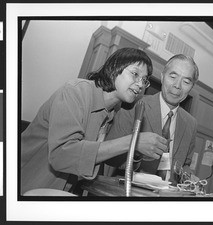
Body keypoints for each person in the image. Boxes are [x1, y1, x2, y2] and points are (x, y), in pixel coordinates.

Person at [21, 47, 169, 195]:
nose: (140, 84)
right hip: (27, 187)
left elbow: (109, 156)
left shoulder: (114, 112)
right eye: (135, 74)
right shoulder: (74, 92)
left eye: (144, 80)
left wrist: (136, 151)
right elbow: (61, 155)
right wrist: (133, 141)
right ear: (114, 67)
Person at [104, 54, 199, 185]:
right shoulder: (133, 104)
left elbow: (185, 164)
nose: (177, 85)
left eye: (186, 81)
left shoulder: (191, 123)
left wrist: (188, 177)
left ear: (191, 86)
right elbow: (110, 158)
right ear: (162, 76)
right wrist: (137, 152)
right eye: (173, 76)